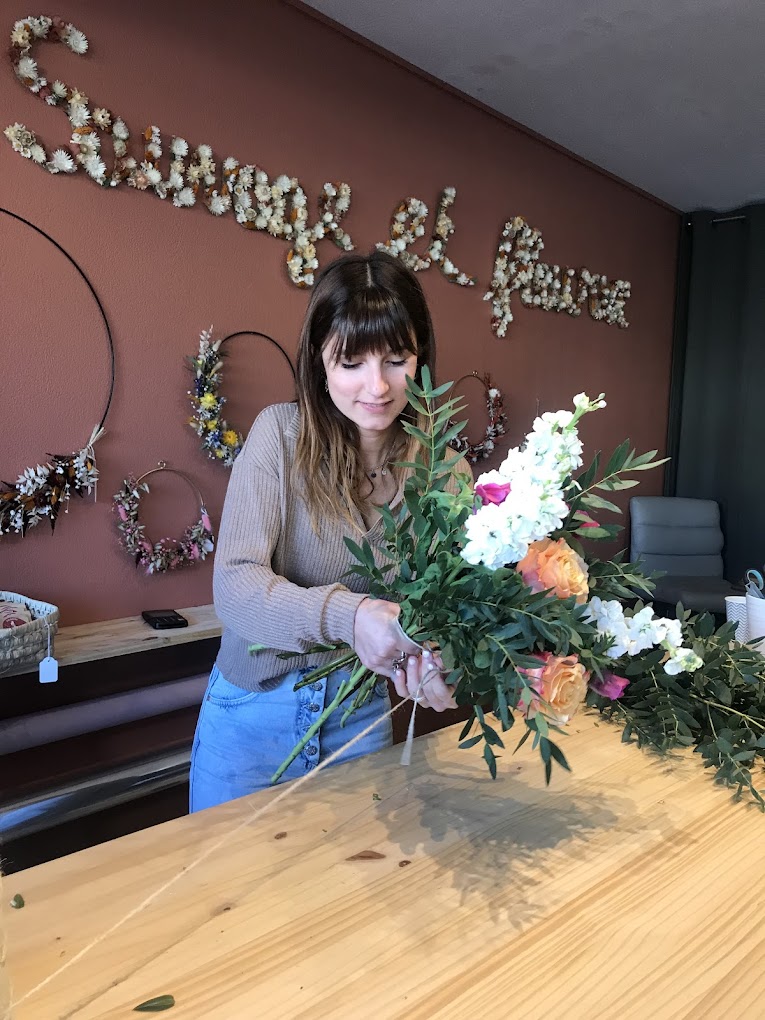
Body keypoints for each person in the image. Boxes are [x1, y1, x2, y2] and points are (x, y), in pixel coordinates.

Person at [189, 250, 473, 812]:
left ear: (421, 359)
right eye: (351, 362)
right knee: (224, 896)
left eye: (396, 358)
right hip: (253, 713)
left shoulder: (446, 471)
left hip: (363, 719)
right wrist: (351, 616)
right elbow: (236, 587)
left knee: (346, 893)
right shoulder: (279, 436)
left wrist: (441, 657)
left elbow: (455, 603)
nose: (377, 386)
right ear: (319, 361)